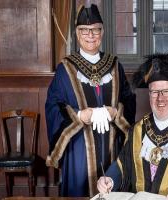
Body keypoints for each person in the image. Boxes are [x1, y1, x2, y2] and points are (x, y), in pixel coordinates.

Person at [45, 3, 136, 197]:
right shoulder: (65, 68)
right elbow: (53, 105)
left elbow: (128, 99)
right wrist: (79, 115)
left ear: (102, 33)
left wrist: (115, 112)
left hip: (112, 145)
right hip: (78, 147)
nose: (91, 35)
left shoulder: (114, 65)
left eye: (95, 30)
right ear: (77, 34)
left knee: (111, 188)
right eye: (85, 31)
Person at [97, 53, 168, 200]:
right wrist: (109, 179)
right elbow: (122, 166)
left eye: (166, 91)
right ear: (149, 94)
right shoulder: (137, 130)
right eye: (155, 92)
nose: (160, 98)